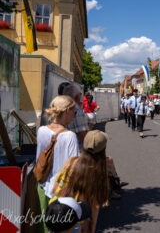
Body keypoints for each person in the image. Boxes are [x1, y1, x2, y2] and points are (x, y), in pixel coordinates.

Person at [50, 130, 110, 232]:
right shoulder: (98, 173)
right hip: (76, 218)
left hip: (56, 210)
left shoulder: (71, 161)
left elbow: (55, 187)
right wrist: (93, 226)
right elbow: (95, 205)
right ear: (102, 150)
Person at [36, 95, 80, 231]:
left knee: (45, 225)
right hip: (62, 190)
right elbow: (74, 166)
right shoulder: (70, 136)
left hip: (43, 186)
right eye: (74, 112)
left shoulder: (41, 131)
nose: (74, 115)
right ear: (67, 110)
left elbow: (39, 158)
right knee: (63, 226)